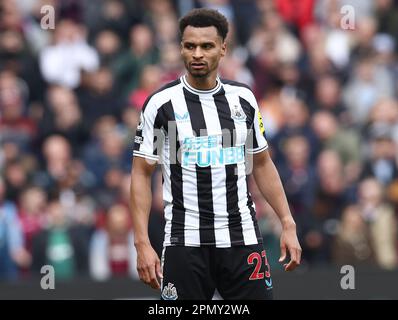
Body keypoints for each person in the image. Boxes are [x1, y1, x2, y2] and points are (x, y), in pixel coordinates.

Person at [130, 8, 301, 300]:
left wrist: (287, 222)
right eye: (189, 46)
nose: (197, 53)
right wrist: (142, 243)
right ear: (181, 48)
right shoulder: (161, 105)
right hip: (185, 243)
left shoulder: (244, 100)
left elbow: (261, 164)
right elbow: (141, 173)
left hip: (241, 238)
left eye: (206, 46)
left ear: (223, 49)